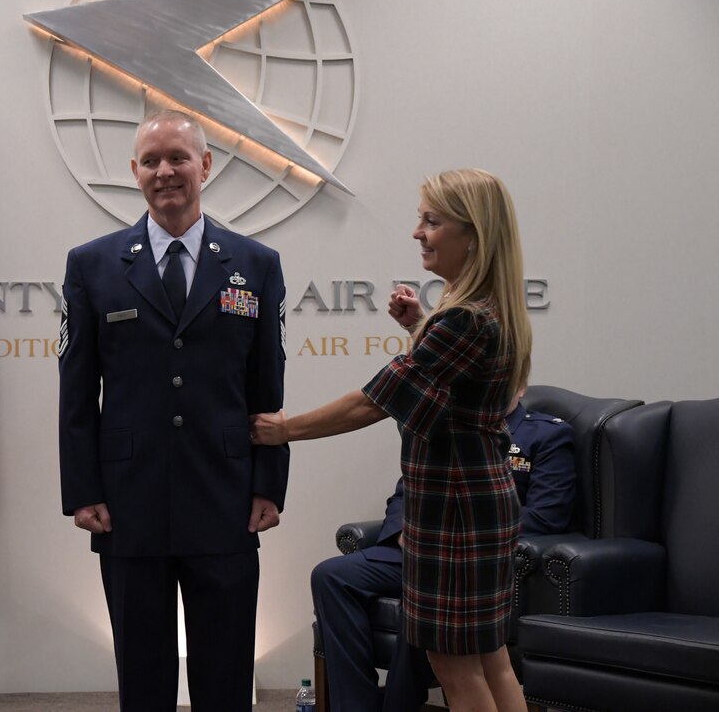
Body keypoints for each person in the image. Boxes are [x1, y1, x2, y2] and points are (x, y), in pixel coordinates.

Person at [252, 168, 532, 711]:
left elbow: (371, 403)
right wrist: (420, 325)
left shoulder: (464, 323)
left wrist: (282, 431)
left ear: (472, 233)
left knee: (455, 668)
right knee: (491, 658)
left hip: (452, 515)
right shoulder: (489, 315)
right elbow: (458, 391)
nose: (417, 232)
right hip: (482, 508)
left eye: (431, 221)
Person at [58, 110, 289, 712]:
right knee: (142, 670)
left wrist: (270, 482)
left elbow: (268, 389)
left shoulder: (256, 265)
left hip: (227, 497)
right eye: (151, 161)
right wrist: (83, 490)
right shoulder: (92, 264)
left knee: (227, 667)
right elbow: (77, 391)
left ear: (205, 166)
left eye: (178, 158)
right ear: (134, 173)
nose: (165, 172)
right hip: (128, 501)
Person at [312, 385, 575, 711]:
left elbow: (545, 516)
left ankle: (399, 705)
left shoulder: (546, 434)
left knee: (425, 594)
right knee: (331, 576)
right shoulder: (445, 423)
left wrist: (451, 534)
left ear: (519, 386)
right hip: (413, 551)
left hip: (475, 559)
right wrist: (402, 532)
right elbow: (405, 492)